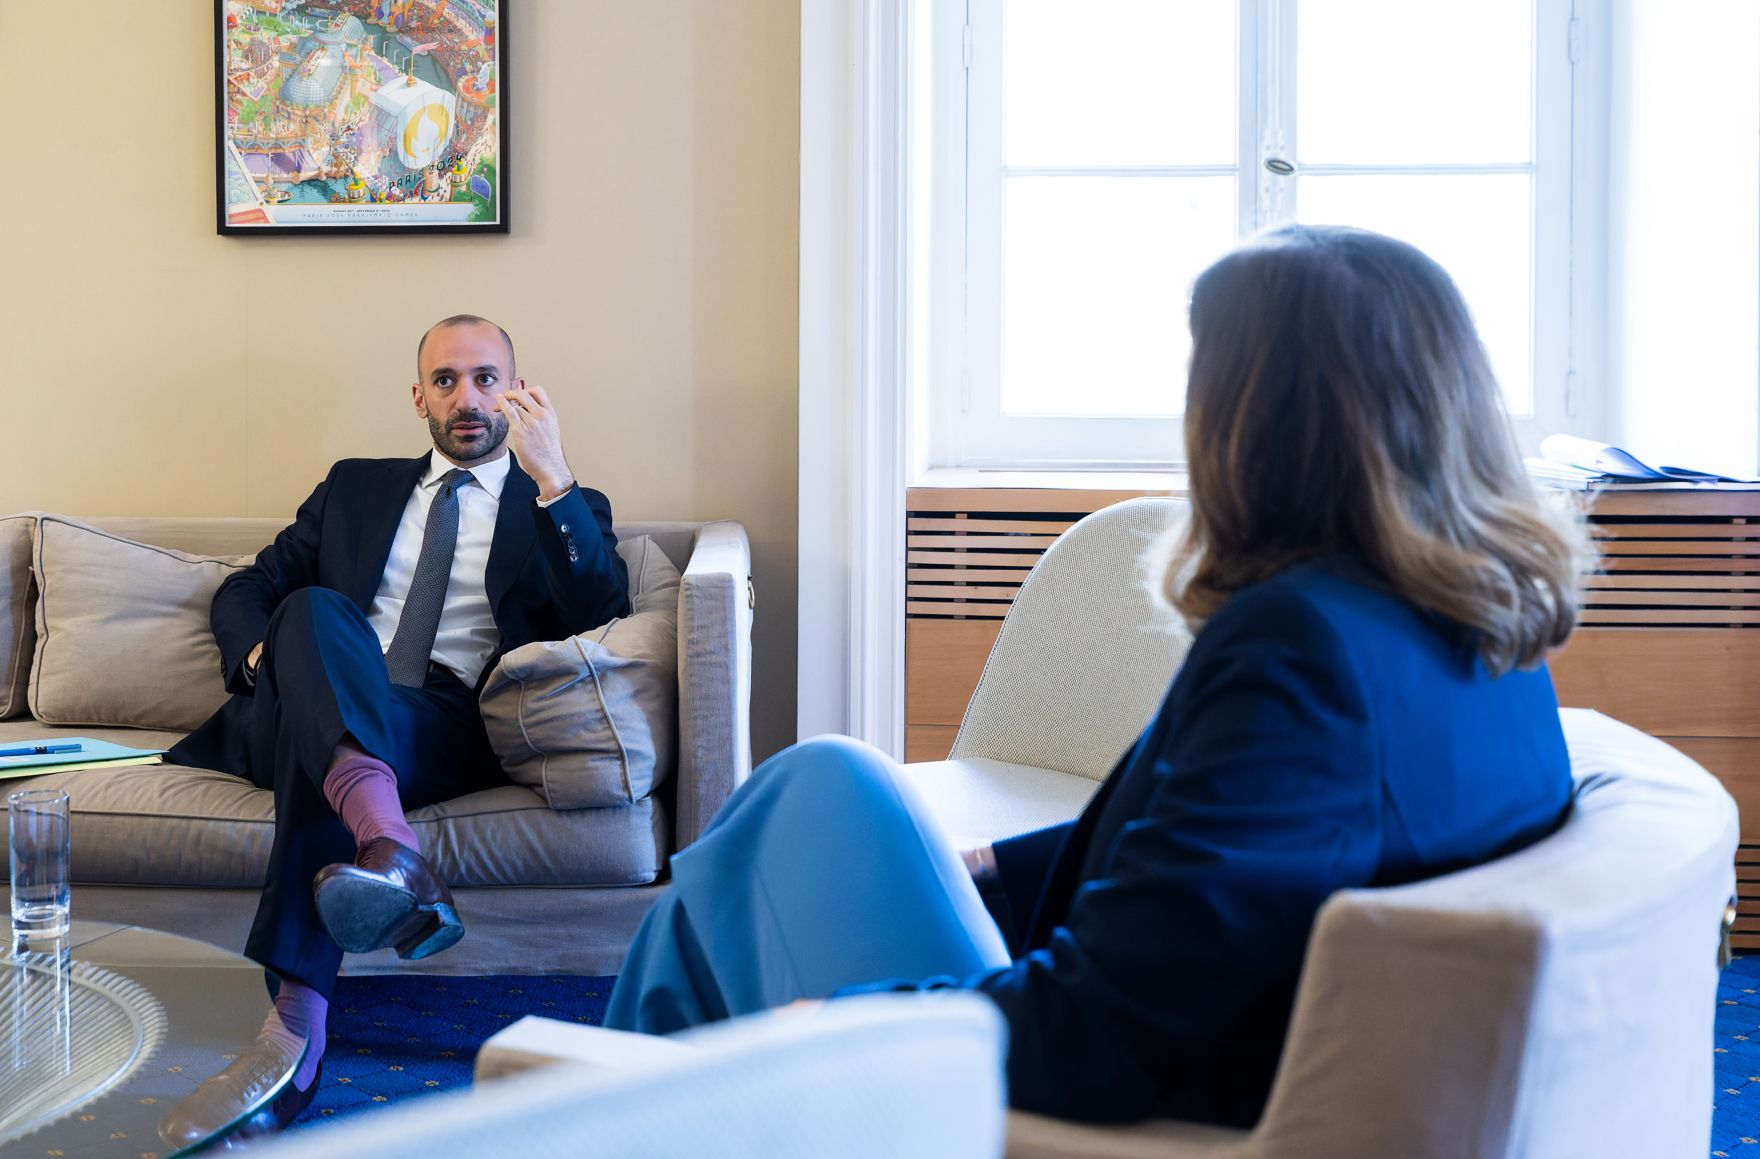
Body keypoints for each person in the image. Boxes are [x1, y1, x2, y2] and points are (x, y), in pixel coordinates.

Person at [603, 226, 1592, 1128]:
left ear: (1258, 421)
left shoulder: (1301, 646)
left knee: (761, 851)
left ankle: (582, 1103)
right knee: (793, 819)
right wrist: (991, 867)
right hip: (1223, 1050)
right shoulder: (1483, 636)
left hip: (1092, 1113)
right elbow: (1238, 858)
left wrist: (838, 1016)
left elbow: (1107, 1029)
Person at [159, 315, 630, 1146]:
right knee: (310, 610)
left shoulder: (561, 505)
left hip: (437, 720)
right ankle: (389, 851)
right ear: (419, 396)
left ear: (518, 392)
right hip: (306, 695)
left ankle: (290, 1038)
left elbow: (599, 612)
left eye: (487, 378)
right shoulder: (356, 487)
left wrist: (552, 472)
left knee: (327, 740)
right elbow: (246, 590)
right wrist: (282, 668)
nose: (468, 397)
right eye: (446, 380)